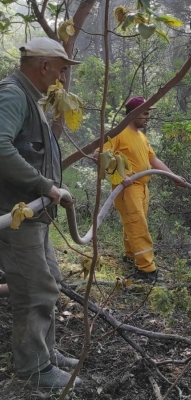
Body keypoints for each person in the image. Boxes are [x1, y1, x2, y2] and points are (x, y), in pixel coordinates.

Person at [0, 37, 82, 389]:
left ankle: (46, 352)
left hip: (34, 215)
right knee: (33, 290)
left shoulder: (30, 98)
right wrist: (44, 186)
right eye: (61, 69)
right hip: (16, 214)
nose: (62, 77)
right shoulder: (13, 95)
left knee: (48, 280)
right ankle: (34, 370)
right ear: (44, 66)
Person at [101, 96, 186, 283]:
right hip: (127, 188)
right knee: (138, 225)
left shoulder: (141, 136)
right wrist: (122, 177)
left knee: (133, 223)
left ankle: (132, 256)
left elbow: (153, 160)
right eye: (145, 113)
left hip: (142, 188)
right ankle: (147, 270)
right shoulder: (118, 133)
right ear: (133, 113)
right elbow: (101, 156)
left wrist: (174, 177)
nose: (147, 117)